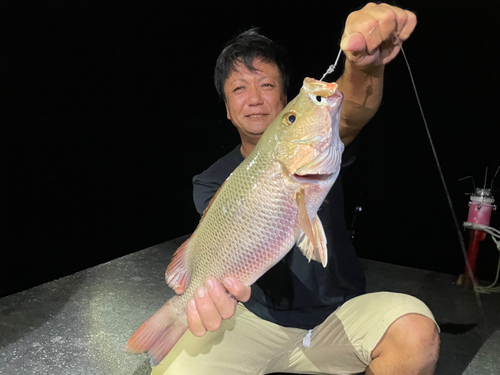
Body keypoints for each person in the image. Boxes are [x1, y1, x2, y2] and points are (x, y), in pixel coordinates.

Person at [153, 3, 440, 374]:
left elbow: (353, 108)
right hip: (250, 321)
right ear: (227, 108)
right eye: (239, 88)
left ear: (285, 96)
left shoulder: (321, 149)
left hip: (337, 317)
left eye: (267, 85)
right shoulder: (210, 179)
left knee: (416, 332)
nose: (255, 98)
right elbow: (217, 248)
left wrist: (363, 64)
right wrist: (201, 296)